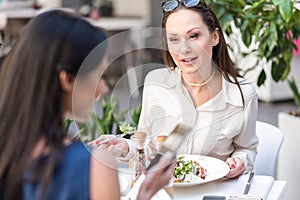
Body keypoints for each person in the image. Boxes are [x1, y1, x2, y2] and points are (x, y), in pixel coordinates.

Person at [0, 10, 175, 200]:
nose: (104, 89)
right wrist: (146, 192)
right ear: (67, 79)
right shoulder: (91, 165)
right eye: (99, 76)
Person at [96, 0, 258, 179]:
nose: (184, 49)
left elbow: (246, 148)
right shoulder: (155, 83)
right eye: (174, 39)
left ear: (215, 37)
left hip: (214, 192)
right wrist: (126, 147)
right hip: (167, 191)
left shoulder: (242, 94)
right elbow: (149, 146)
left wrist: (240, 160)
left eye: (194, 36)